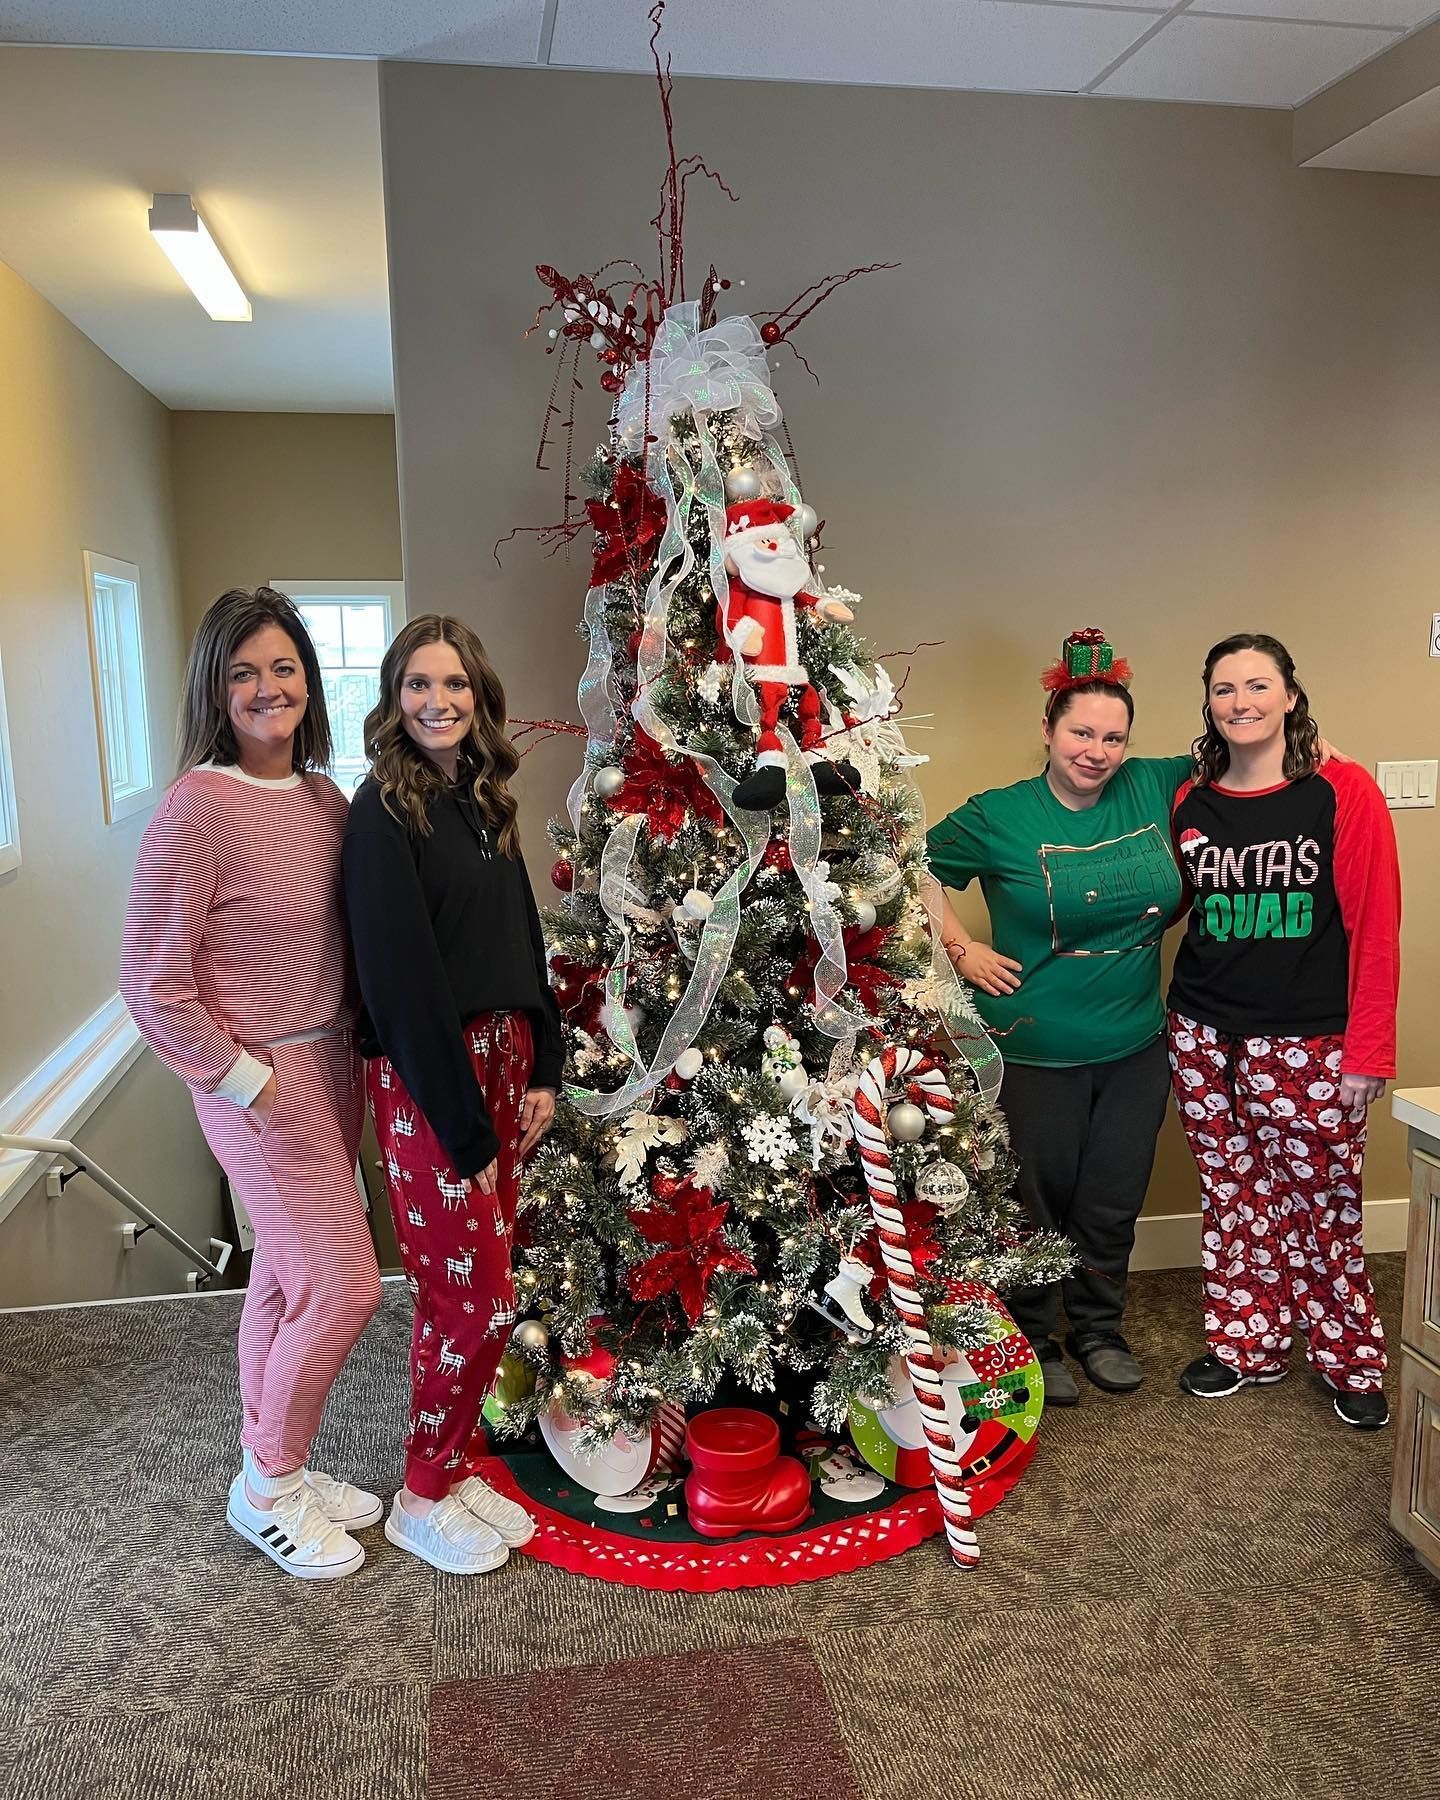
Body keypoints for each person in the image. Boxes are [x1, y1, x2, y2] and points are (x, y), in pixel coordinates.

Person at [120, 587, 382, 1581]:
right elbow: (153, 984)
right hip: (260, 1085)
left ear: (308, 681)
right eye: (243, 673)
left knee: (282, 1273)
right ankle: (266, 1486)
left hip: (331, 1067)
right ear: (214, 690)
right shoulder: (196, 809)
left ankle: (281, 1462)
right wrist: (249, 1085)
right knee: (347, 1286)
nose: (267, 687)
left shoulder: (323, 796)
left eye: (282, 667)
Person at [343, 614, 563, 1574]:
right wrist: (465, 1128)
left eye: (457, 685)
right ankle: (420, 1492)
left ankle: (457, 1459)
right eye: (419, 685)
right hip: (434, 1079)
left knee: (491, 1288)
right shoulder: (383, 814)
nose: (439, 702)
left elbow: (522, 935)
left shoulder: (483, 798)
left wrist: (545, 1061)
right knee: (464, 1297)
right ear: (394, 700)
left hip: (506, 1061)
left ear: (481, 698)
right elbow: (399, 987)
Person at [927, 630, 1190, 1403]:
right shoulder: (998, 815)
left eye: (1113, 737)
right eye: (1081, 732)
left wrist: (1324, 751)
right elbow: (910, 866)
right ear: (1048, 730)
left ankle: (1100, 1330)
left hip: (1136, 1045)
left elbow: (1253, 756)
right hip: (1032, 1051)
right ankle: (1033, 1339)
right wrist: (960, 947)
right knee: (1033, 1205)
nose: (1097, 750)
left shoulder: (1156, 784)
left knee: (1113, 1197)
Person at [1167, 633, 1399, 1430]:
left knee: (1322, 1205)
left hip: (1309, 1041)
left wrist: (1369, 1052)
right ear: (1209, 702)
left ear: (1290, 695)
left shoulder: (1343, 791)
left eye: (1259, 685)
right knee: (1233, 1198)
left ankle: (1349, 1356)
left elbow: (1375, 928)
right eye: (1226, 688)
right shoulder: (1189, 797)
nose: (1242, 702)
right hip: (1201, 1035)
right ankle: (1246, 1345)